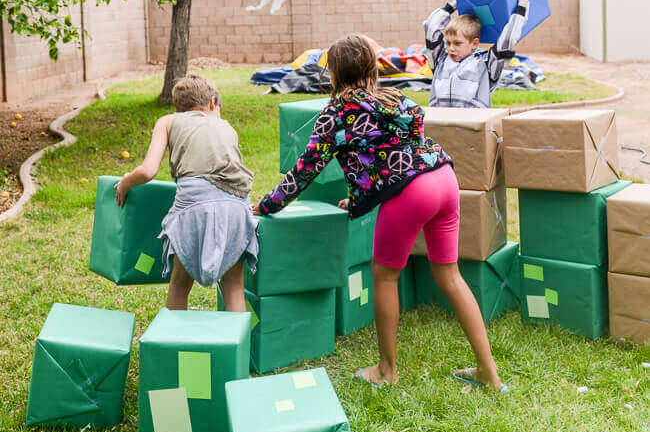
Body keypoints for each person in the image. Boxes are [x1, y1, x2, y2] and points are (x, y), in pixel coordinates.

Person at [253, 35, 506, 392]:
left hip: (411, 194)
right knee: (450, 276)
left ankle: (387, 370)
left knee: (384, 276)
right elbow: (391, 148)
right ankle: (489, 373)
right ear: (372, 67)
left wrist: (266, 206)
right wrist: (359, 198)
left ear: (334, 73)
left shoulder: (336, 113)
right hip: (445, 180)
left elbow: (304, 171)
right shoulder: (395, 97)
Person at [115, 75, 257, 312]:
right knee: (233, 286)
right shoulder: (227, 127)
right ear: (212, 103)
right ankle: (238, 348)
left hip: (194, 207)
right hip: (237, 206)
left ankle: (176, 345)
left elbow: (148, 171)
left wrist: (125, 184)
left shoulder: (168, 121)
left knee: (179, 285)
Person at [424, 0, 532, 108]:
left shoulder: (485, 65)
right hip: (441, 125)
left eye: (457, 43)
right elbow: (431, 26)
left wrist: (522, 4)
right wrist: (456, 3)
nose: (450, 48)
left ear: (474, 44)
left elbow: (507, 40)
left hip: (472, 126)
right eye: (448, 43)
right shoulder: (440, 60)